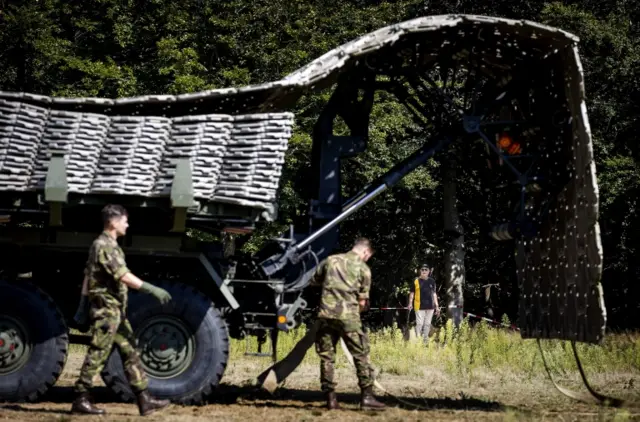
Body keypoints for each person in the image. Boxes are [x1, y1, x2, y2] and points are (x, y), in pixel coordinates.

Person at [71, 204, 173, 416]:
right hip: (107, 311)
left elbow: (88, 277)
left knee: (130, 352)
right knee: (98, 352)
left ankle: (144, 399)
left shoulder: (106, 245)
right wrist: (150, 289)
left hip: (115, 311)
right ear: (113, 222)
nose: (127, 224)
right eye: (124, 220)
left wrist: (82, 305)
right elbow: (123, 275)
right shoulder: (104, 246)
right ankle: (81, 398)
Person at [310, 237, 386, 411]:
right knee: (361, 354)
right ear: (365, 251)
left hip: (326, 315)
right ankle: (366, 397)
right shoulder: (363, 269)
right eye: (368, 256)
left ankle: (330, 398)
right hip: (348, 317)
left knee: (327, 357)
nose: (367, 259)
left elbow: (314, 281)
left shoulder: (331, 260)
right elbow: (362, 302)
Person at [407, 264, 440, 343]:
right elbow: (412, 293)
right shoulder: (416, 280)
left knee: (427, 324)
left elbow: (434, 294)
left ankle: (425, 341)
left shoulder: (432, 281)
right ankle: (418, 340)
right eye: (422, 269)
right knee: (419, 324)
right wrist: (410, 303)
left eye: (426, 269)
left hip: (430, 307)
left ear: (429, 271)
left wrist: (437, 306)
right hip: (419, 306)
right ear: (420, 271)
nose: (424, 271)